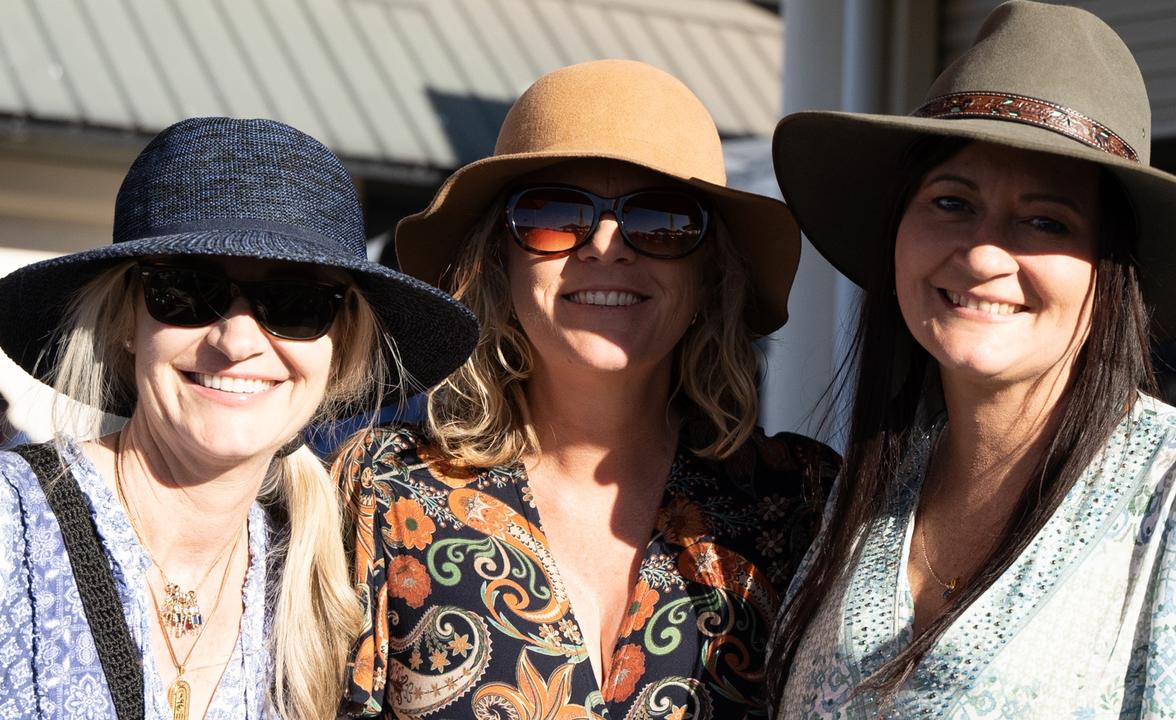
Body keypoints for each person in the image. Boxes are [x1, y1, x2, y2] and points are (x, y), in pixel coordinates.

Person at [766, 2, 1176, 718]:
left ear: (1112, 272)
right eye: (950, 201)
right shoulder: (858, 503)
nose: (980, 254)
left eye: (1046, 221)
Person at [338, 60, 839, 719]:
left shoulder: (801, 503)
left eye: (661, 221)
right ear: (500, 262)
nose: (607, 245)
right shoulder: (387, 492)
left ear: (712, 274)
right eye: (554, 215)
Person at [0, 117, 478, 720]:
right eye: (188, 291)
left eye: (296, 303)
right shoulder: (12, 527)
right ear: (126, 320)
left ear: (342, 343)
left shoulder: (326, 590)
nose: (236, 342)